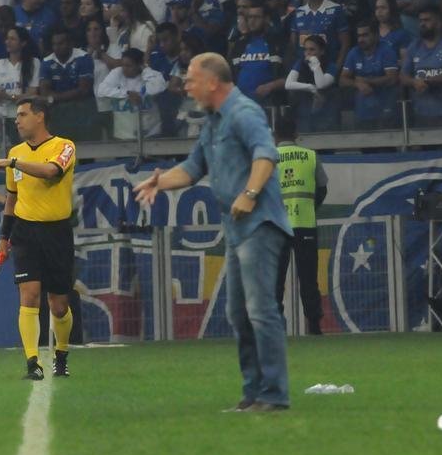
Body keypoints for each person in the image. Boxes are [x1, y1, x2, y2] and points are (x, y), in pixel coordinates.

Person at [133, 53, 293, 412]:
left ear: (212, 82)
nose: (186, 86)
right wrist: (160, 182)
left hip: (259, 224)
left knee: (260, 309)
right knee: (239, 312)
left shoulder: (243, 112)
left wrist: (250, 194)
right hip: (238, 228)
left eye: (190, 79)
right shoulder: (212, 122)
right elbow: (192, 169)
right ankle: (254, 392)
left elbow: (266, 154)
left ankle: (274, 395)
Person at [0, 98, 79, 379]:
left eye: (23, 114)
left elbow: (51, 172)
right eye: (16, 115)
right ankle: (32, 363)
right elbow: (11, 200)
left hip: (57, 232)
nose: (17, 120)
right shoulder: (15, 152)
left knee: (59, 304)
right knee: (29, 295)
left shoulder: (64, 146)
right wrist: (4, 237)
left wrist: (11, 162)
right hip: (25, 232)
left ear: (40, 116)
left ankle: (61, 355)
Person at [274, 115, 327, 335]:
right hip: (305, 224)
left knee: (275, 279)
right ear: (296, 135)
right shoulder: (310, 156)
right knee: (308, 278)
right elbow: (322, 188)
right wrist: (309, 208)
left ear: (274, 136)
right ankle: (313, 326)